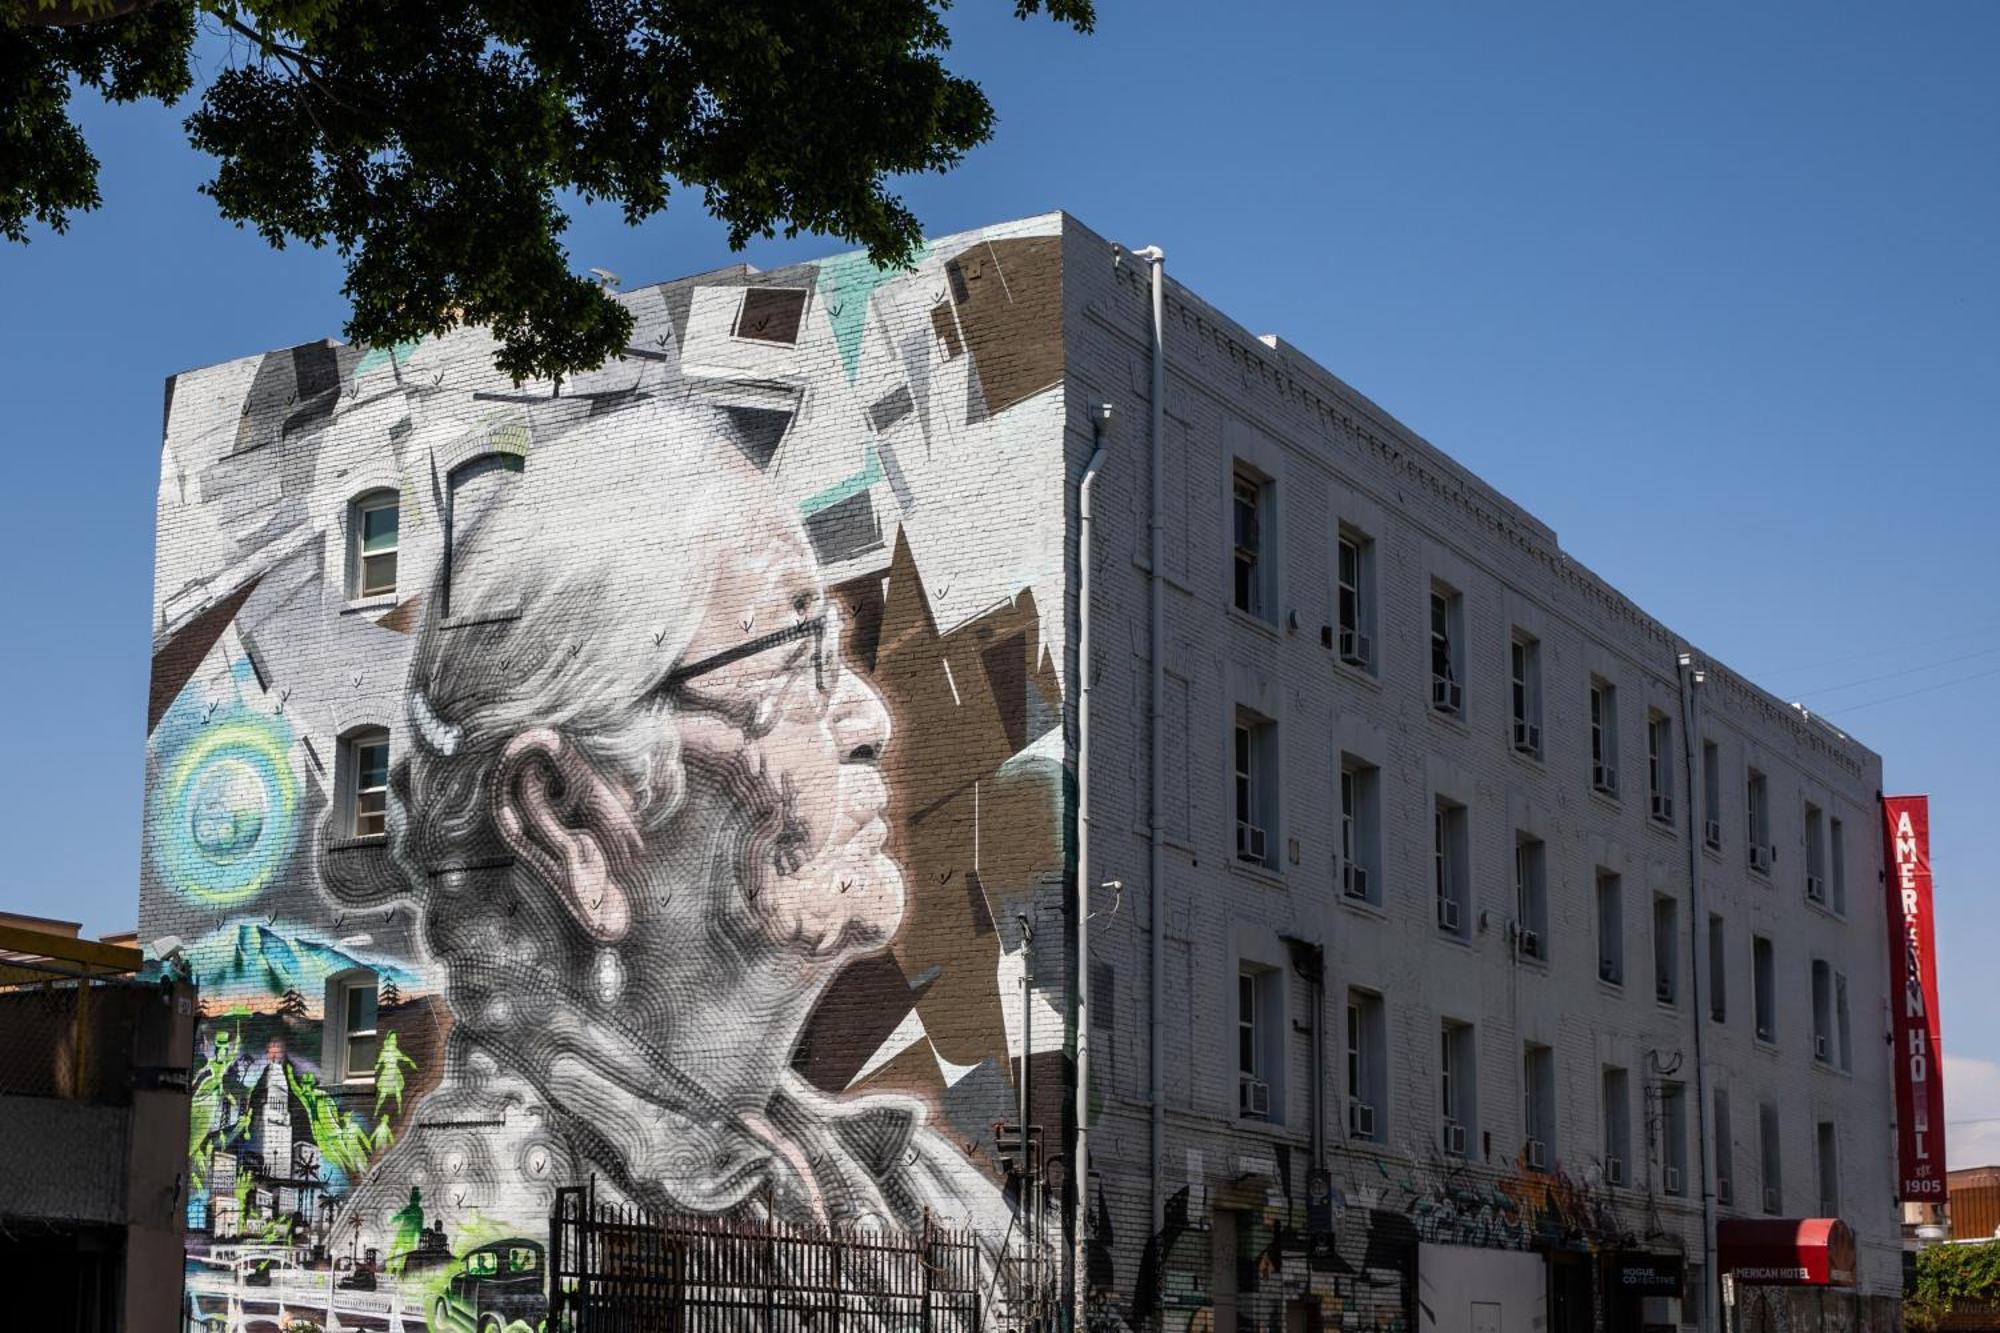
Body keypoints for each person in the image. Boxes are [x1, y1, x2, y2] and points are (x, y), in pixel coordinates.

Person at [333, 393, 1032, 1317]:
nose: (870, 716)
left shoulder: (909, 1191)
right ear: (571, 821)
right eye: (796, 655)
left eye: (834, 646)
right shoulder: (480, 1247)